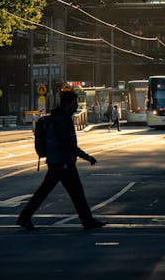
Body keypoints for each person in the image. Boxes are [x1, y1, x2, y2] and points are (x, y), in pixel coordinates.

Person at [17, 91, 106, 231]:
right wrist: (86, 157)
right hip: (62, 163)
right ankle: (24, 218)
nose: (76, 106)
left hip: (59, 161)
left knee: (71, 192)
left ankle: (87, 221)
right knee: (71, 192)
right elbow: (69, 144)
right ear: (68, 104)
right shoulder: (63, 120)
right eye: (74, 103)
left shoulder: (57, 117)